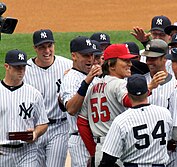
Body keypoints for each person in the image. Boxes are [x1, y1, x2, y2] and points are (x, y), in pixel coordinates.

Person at [77, 44, 165, 166]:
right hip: (117, 151)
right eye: (125, 60)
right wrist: (149, 87)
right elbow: (129, 101)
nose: (130, 64)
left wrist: (93, 151)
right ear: (111, 65)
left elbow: (82, 122)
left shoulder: (93, 88)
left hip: (100, 149)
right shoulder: (119, 84)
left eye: (130, 60)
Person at [99, 74, 173, 167]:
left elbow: (108, 159)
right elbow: (170, 138)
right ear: (147, 92)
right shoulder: (164, 113)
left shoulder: (121, 120)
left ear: (128, 94)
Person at [23, 29, 73, 167]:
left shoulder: (68, 66)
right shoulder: (25, 70)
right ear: (35, 48)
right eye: (42, 47)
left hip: (59, 128)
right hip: (35, 129)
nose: (47, 51)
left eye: (49, 46)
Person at [0, 49, 48, 166]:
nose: (21, 71)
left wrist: (35, 133)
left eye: (23, 67)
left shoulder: (34, 93)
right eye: (17, 67)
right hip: (2, 152)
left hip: (27, 152)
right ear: (7, 66)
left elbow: (43, 123)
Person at [59, 36, 102, 167]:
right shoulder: (70, 78)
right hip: (80, 140)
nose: (90, 59)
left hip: (96, 138)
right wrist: (87, 82)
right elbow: (71, 109)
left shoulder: (93, 75)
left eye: (91, 55)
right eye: (85, 55)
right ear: (74, 56)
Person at [141, 39, 177, 108]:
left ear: (165, 58)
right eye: (147, 58)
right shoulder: (141, 82)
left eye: (153, 58)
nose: (148, 62)